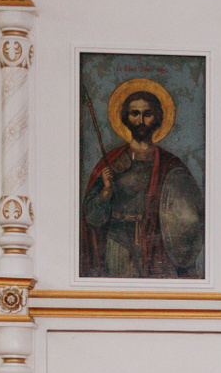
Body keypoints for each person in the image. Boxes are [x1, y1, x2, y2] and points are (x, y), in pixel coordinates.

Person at [81, 88, 204, 278]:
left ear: (157, 118)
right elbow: (92, 217)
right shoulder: (112, 162)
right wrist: (106, 190)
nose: (140, 121)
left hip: (157, 247)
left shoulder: (170, 164)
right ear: (125, 118)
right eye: (134, 113)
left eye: (147, 114)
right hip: (119, 245)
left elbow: (191, 214)